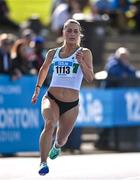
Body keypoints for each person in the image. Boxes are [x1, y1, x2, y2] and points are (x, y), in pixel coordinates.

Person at [31, 18, 94, 175]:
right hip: (51, 97)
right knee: (50, 124)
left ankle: (57, 147)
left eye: (75, 31)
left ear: (79, 34)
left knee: (61, 139)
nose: (72, 33)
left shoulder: (84, 53)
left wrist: (82, 63)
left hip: (71, 104)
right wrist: (37, 89)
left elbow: (90, 77)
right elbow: (44, 69)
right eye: (69, 30)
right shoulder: (53, 53)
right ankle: (43, 162)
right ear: (63, 32)